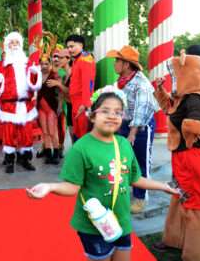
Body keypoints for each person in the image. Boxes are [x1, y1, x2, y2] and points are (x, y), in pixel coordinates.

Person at [27, 91, 177, 261]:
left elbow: (135, 179)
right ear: (92, 116)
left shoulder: (124, 145)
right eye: (105, 111)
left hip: (121, 222)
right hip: (93, 225)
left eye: (118, 112)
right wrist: (50, 187)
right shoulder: (81, 148)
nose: (112, 116)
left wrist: (163, 186)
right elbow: (72, 187)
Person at [152, 50, 200, 261]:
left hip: (191, 159)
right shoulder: (183, 97)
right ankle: (175, 240)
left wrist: (192, 132)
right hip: (183, 157)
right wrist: (160, 90)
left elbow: (195, 124)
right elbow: (169, 109)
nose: (173, 79)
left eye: (175, 75)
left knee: (195, 202)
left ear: (187, 74)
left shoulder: (194, 98)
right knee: (179, 196)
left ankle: (199, 253)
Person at [106, 45, 159, 214]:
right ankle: (122, 193)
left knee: (140, 162)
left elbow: (140, 110)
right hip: (125, 124)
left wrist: (132, 134)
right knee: (122, 161)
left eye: (117, 61)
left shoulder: (141, 83)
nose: (114, 64)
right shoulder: (121, 82)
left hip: (141, 127)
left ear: (127, 64)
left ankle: (140, 198)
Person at [0, 31, 42, 173]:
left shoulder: (27, 64)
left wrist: (34, 73)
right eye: (11, 43)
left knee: (26, 133)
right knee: (9, 133)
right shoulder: (3, 65)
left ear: (20, 46)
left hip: (25, 105)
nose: (14, 45)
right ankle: (9, 161)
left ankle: (24, 159)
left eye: (17, 43)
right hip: (9, 105)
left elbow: (34, 86)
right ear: (7, 46)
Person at [38, 53, 61, 164]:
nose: (44, 66)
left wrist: (60, 106)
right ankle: (48, 154)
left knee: (52, 132)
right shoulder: (36, 76)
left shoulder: (55, 75)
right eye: (42, 64)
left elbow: (60, 92)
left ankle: (56, 153)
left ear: (50, 64)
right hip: (41, 108)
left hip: (51, 108)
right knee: (45, 132)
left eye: (46, 64)